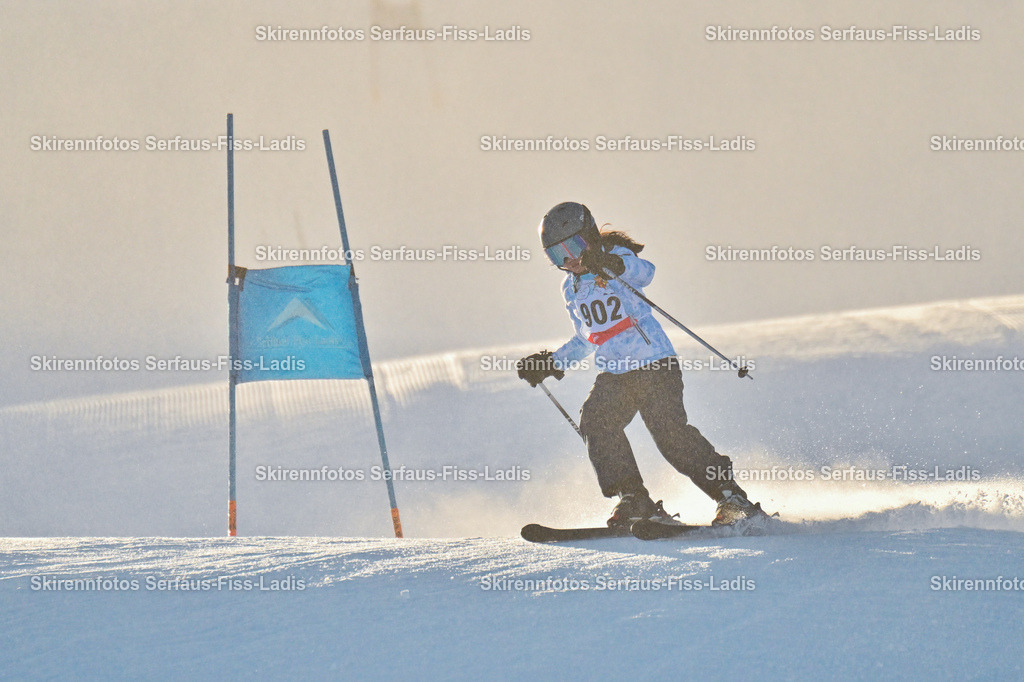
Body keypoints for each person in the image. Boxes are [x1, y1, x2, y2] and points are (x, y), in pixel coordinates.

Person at [517, 201, 766, 528]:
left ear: (590, 237)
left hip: (654, 366)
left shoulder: (615, 256)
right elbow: (586, 338)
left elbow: (645, 272)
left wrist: (609, 263)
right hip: (615, 373)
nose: (570, 260)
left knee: (669, 434)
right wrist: (550, 363)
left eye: (574, 247)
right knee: (595, 421)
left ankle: (730, 496)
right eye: (557, 256)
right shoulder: (571, 288)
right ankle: (634, 498)